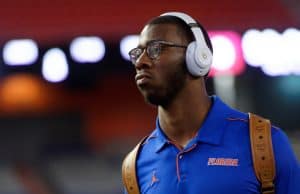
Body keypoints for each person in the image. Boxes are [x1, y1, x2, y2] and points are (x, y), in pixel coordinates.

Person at [122, 11, 300, 194]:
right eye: (138, 53)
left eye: (156, 49)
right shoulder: (135, 165)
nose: (140, 62)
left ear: (198, 57)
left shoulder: (264, 144)